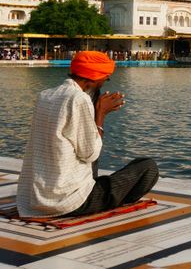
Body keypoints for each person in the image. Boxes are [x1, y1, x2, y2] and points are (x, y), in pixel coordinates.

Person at [16, 51, 159, 218]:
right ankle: (107, 204)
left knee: (94, 168)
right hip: (68, 202)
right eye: (105, 78)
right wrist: (101, 113)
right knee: (148, 168)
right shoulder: (79, 99)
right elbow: (90, 154)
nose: (105, 82)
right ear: (94, 76)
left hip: (37, 200)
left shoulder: (45, 95)